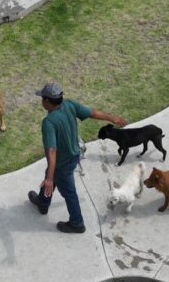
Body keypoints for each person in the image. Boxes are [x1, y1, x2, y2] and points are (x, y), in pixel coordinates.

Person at [28, 83, 127, 233]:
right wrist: (112, 118)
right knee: (51, 175)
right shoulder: (69, 104)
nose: (41, 100)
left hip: (62, 163)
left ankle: (77, 223)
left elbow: (52, 151)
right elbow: (92, 112)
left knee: (68, 192)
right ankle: (43, 203)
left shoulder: (49, 122)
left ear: (47, 101)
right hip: (74, 155)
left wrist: (49, 178)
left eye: (42, 98)